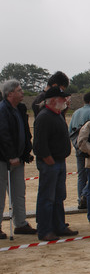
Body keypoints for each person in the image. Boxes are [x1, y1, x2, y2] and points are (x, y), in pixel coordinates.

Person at [33, 87, 79, 241]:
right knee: (47, 197)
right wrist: (48, 159)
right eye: (62, 98)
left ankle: (59, 226)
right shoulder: (44, 116)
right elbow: (39, 143)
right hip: (50, 163)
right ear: (53, 101)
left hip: (59, 161)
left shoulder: (57, 114)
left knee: (59, 196)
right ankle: (45, 230)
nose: (65, 101)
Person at [0, 80, 36, 238]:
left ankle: (21, 223)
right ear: (10, 94)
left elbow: (25, 132)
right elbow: (4, 135)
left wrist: (26, 152)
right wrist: (10, 156)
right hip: (4, 160)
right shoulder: (2, 110)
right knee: (0, 195)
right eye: (19, 90)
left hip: (19, 159)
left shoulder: (20, 108)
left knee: (19, 192)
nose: (22, 93)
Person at [68, 91, 90, 210]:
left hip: (78, 148)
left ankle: (81, 198)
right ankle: (86, 196)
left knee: (81, 175)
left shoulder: (76, 112)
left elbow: (70, 130)